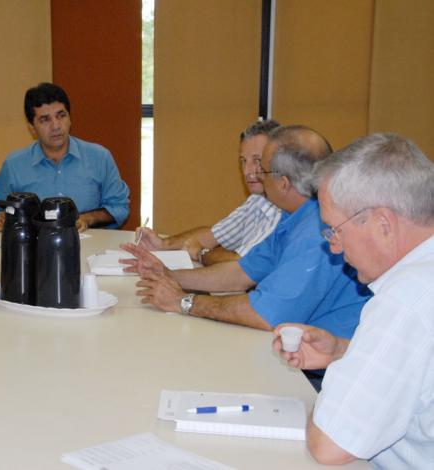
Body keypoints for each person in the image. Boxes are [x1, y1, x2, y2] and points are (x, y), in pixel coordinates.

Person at [273, 133, 434, 468]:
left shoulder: (406, 296)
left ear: (384, 224)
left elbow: (331, 445)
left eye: (335, 230)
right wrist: (344, 353)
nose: (333, 247)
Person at [122, 125, 371, 340]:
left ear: (283, 183)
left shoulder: (316, 231)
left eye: (262, 170)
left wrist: (183, 302)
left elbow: (264, 314)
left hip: (317, 373)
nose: (256, 177)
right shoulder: (296, 216)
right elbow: (241, 273)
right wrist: (169, 275)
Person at [136, 119, 282, 265]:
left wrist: (201, 253)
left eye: (257, 160)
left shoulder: (282, 212)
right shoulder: (257, 199)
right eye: (243, 161)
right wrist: (163, 244)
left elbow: (242, 265)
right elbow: (215, 234)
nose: (246, 171)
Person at [0, 82, 130, 231]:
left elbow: (119, 208)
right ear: (32, 127)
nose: (56, 126)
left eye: (61, 116)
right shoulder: (14, 165)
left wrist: (86, 219)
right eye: (45, 119)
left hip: (90, 248)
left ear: (70, 118)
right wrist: (0, 220)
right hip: (34, 249)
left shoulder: (100, 157)